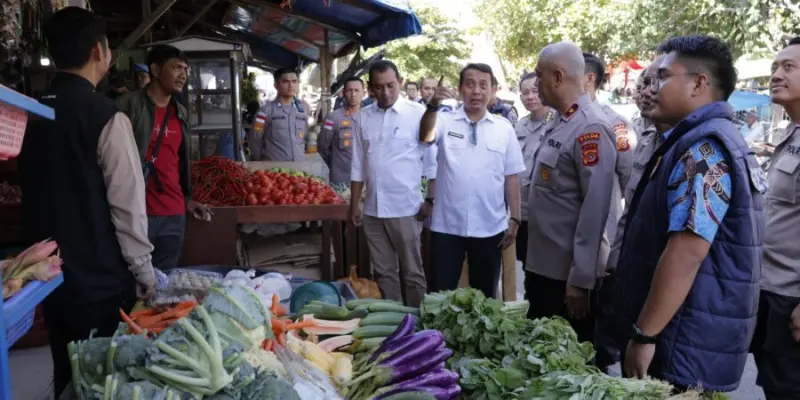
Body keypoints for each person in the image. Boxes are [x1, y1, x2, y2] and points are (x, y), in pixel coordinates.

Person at [608, 35, 764, 392]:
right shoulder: (696, 139)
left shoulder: (704, 149)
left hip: (681, 342)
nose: (652, 85)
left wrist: (644, 335)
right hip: (685, 334)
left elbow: (686, 254)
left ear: (698, 83)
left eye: (663, 76)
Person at [17, 7, 155, 396]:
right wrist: (143, 270)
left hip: (48, 276)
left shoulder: (31, 112)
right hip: (100, 281)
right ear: (99, 51)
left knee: (67, 371)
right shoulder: (107, 117)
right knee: (104, 379)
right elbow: (127, 206)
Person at [524, 41, 618, 343]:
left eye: (540, 76)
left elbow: (595, 211)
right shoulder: (563, 121)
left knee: (568, 366)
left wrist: (580, 280)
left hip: (565, 278)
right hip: (544, 268)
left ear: (557, 77)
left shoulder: (590, 128)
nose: (535, 83)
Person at [418, 64, 525, 298]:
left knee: (484, 298)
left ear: (493, 90)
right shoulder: (445, 121)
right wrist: (433, 105)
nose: (476, 91)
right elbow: (425, 136)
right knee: (439, 295)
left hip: (490, 227)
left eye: (483, 85)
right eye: (470, 84)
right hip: (447, 227)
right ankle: (437, 336)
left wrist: (515, 217)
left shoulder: (504, 128)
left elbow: (512, 176)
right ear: (459, 90)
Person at [596, 55, 670, 373]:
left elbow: (625, 174)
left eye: (653, 84)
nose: (644, 91)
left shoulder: (619, 125)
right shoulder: (635, 128)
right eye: (641, 84)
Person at [117, 44, 212, 272]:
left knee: (164, 279)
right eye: (176, 67)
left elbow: (179, 162)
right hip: (138, 212)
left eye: (185, 69)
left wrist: (187, 199)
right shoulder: (127, 106)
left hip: (174, 212)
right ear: (156, 71)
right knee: (132, 279)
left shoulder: (181, 113)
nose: (183, 75)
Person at [350, 60, 430, 307]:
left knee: (413, 273)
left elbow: (432, 162)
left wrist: (430, 199)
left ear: (401, 82)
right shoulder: (363, 117)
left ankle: (419, 324)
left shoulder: (419, 115)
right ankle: (394, 322)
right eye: (378, 87)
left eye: (391, 86)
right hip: (373, 209)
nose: (385, 93)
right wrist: (355, 204)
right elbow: (357, 163)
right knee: (384, 272)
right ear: (370, 88)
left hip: (405, 208)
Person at [751, 36, 800, 400]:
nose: (776, 75)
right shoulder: (790, 133)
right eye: (774, 68)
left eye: (788, 67)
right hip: (770, 289)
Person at [583, 52, 635, 240]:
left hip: (604, 211)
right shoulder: (560, 120)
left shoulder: (615, 122)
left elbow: (626, 170)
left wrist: (610, 190)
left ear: (589, 78)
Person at [514, 72, 555, 271]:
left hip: (544, 214)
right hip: (520, 211)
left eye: (534, 91)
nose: (530, 97)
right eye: (525, 93)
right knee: (523, 262)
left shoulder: (557, 123)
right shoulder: (520, 124)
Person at [249, 68, 311, 161]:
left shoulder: (303, 109)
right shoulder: (264, 112)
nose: (291, 85)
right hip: (274, 170)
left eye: (294, 81)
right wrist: (260, 164)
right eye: (285, 82)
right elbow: (255, 140)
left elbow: (304, 137)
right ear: (276, 85)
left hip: (299, 169)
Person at [319, 77, 364, 185]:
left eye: (357, 90)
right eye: (349, 90)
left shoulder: (370, 118)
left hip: (364, 179)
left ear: (364, 93)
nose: (353, 94)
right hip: (340, 180)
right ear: (344, 93)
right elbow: (323, 146)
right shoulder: (333, 117)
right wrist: (334, 164)